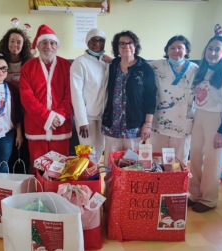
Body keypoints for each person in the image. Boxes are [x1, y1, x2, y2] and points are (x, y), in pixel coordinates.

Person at [188, 27, 222, 213]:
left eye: (218, 49)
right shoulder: (201, 71)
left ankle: (209, 199)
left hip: (216, 119)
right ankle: (194, 194)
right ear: (205, 50)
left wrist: (221, 132)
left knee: (212, 159)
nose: (213, 52)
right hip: (199, 115)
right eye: (210, 48)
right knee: (194, 156)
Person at [19, 24, 72, 169]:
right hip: (36, 127)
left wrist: (60, 116)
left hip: (60, 126)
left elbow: (70, 94)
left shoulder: (67, 66)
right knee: (38, 167)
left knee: (60, 168)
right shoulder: (27, 68)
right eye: (44, 42)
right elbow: (27, 98)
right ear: (38, 45)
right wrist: (47, 117)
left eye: (52, 43)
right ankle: (39, 191)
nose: (48, 46)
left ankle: (58, 192)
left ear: (57, 46)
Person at [101, 30, 157, 166]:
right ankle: (110, 188)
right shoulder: (112, 66)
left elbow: (151, 98)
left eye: (130, 43)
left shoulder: (145, 69)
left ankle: (128, 188)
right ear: (117, 48)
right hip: (112, 126)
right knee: (110, 165)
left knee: (132, 166)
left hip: (134, 127)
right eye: (122, 44)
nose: (126, 46)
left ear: (135, 45)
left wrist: (147, 124)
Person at [149, 35, 199, 165]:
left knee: (178, 161)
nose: (176, 51)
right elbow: (134, 63)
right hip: (160, 121)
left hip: (182, 123)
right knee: (157, 158)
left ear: (186, 51)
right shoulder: (156, 65)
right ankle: (159, 183)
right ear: (167, 51)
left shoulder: (195, 69)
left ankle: (176, 184)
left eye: (180, 48)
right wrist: (114, 61)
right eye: (172, 48)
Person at [0, 28, 33, 173]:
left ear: (24, 45)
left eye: (19, 42)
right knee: (7, 148)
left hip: (24, 110)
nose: (15, 45)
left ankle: (21, 176)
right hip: (4, 112)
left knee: (23, 146)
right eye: (12, 41)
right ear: (7, 42)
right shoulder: (0, 62)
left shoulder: (28, 63)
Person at [70, 28, 109, 165]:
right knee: (87, 153)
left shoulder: (106, 62)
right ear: (87, 43)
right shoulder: (80, 62)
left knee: (100, 150)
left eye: (101, 41)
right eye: (94, 40)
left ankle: (95, 180)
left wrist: (112, 61)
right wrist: (82, 121)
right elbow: (76, 93)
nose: (97, 44)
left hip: (102, 117)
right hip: (87, 117)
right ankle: (86, 182)